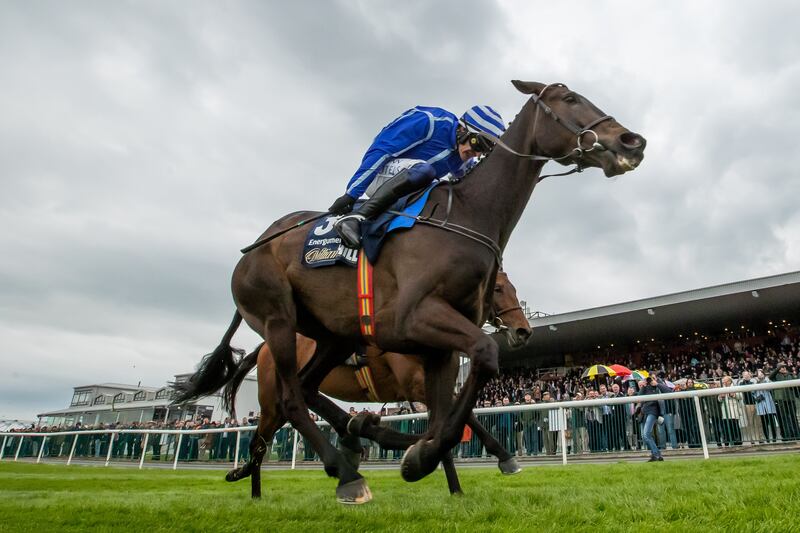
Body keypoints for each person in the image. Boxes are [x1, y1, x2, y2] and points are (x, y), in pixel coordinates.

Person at [329, 104, 506, 248]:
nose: (475, 153)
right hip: (379, 173)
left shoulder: (462, 156)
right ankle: (356, 217)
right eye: (477, 144)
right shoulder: (429, 121)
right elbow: (381, 151)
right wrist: (351, 194)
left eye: (482, 151)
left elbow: (473, 183)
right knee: (425, 171)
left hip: (408, 185)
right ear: (463, 130)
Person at [636, 377, 671, 462]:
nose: (650, 381)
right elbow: (639, 397)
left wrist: (657, 384)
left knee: (646, 434)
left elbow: (669, 392)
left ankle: (656, 454)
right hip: (645, 413)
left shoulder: (658, 386)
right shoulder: (645, 388)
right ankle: (655, 454)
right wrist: (643, 386)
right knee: (646, 436)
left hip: (653, 412)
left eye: (652, 379)